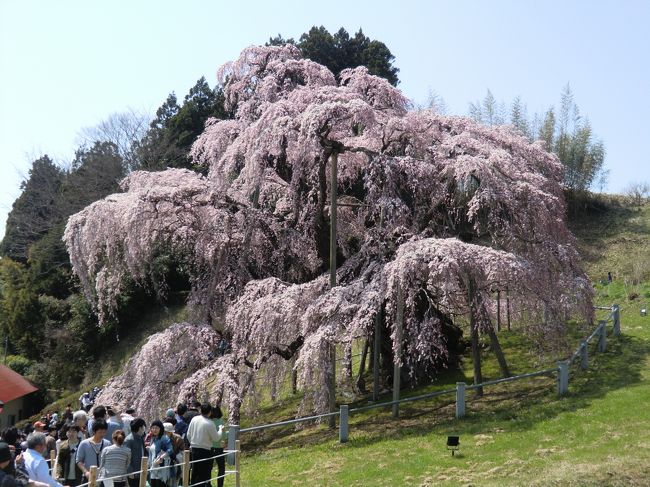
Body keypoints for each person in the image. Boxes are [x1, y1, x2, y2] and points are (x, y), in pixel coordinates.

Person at [185, 404, 219, 487]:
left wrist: (193, 443)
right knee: (204, 473)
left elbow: (188, 434)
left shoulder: (194, 419)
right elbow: (216, 438)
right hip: (206, 450)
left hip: (194, 449)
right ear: (210, 412)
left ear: (200, 410)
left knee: (195, 472)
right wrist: (221, 430)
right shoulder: (210, 423)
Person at [146, 422, 172, 487]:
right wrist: (148, 465)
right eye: (153, 428)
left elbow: (170, 450)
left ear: (161, 429)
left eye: (157, 428)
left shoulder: (164, 438)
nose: (154, 430)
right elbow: (151, 454)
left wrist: (161, 458)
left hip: (161, 467)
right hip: (153, 468)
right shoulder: (153, 438)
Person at [123, 419, 145, 487]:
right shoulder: (129, 440)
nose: (144, 428)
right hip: (133, 473)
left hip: (140, 470)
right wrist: (130, 471)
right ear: (140, 428)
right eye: (144, 426)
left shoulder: (140, 437)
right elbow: (126, 456)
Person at [210, 407, 228, 487]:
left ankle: (208, 484)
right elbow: (224, 436)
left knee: (208, 468)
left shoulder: (209, 422)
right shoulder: (221, 422)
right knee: (221, 468)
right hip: (219, 447)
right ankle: (220, 485)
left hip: (209, 448)